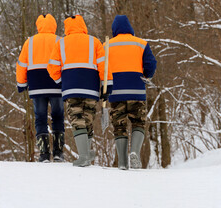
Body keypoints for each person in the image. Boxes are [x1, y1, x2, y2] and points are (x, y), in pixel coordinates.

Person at [47, 15, 113, 167]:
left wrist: (60, 81)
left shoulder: (61, 43)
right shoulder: (94, 42)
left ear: (67, 27)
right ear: (83, 26)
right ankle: (87, 153)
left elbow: (52, 67)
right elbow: (104, 67)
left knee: (77, 119)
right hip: (91, 88)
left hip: (71, 87)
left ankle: (83, 156)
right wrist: (107, 86)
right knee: (88, 119)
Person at [107, 15, 157, 169]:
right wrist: (146, 75)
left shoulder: (107, 45)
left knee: (119, 126)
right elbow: (151, 63)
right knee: (138, 123)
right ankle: (134, 152)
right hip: (137, 91)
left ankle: (122, 162)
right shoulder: (141, 44)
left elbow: (101, 68)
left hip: (115, 92)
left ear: (114, 29)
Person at [16, 14, 65, 163]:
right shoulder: (59, 41)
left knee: (40, 117)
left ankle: (44, 153)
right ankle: (58, 152)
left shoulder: (29, 42)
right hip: (56, 84)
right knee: (58, 116)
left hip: (37, 85)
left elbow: (21, 64)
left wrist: (21, 84)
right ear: (54, 25)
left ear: (38, 26)